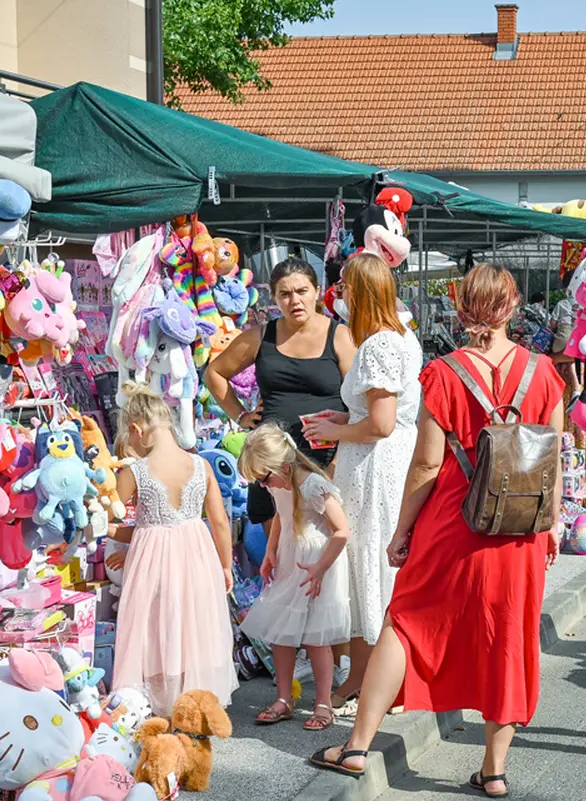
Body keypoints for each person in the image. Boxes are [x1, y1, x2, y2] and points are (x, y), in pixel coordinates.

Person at [307, 265, 564, 799]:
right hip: (520, 532)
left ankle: (357, 746)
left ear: (462, 309)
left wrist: (402, 531)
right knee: (509, 635)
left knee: (405, 620)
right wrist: (554, 521)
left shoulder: (445, 373)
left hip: (453, 522)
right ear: (513, 308)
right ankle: (493, 770)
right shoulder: (545, 374)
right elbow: (553, 459)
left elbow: (425, 466)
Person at [301, 253, 424, 709]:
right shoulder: (401, 337)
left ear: (360, 292)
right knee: (371, 565)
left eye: (345, 288)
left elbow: (382, 423)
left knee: (368, 565)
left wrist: (336, 430)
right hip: (383, 461)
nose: (340, 296)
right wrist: (342, 416)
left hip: (375, 465)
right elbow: (380, 415)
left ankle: (368, 677)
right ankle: (372, 676)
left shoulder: (377, 345)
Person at [109, 383, 239, 716]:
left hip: (152, 562)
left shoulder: (134, 472)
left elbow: (111, 517)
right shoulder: (200, 466)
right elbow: (220, 522)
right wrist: (225, 566)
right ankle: (193, 703)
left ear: (137, 430)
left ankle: (158, 705)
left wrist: (113, 531)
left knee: (154, 628)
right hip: (197, 555)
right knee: (191, 627)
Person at [204, 258, 356, 520]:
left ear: (317, 291)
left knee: (325, 547)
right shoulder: (261, 336)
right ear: (274, 297)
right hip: (270, 461)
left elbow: (358, 404)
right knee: (278, 550)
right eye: (285, 294)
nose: (294, 301)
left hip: (326, 457)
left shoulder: (341, 336)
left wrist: (338, 461)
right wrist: (241, 416)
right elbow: (214, 373)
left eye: (302, 291)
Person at [238, 425, 351, 730]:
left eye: (264, 478)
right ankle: (284, 698)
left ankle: (324, 702)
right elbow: (280, 517)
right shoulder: (278, 484)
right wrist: (271, 551)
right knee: (281, 632)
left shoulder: (313, 485)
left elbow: (342, 531)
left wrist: (320, 568)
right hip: (291, 560)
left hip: (317, 564)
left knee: (317, 637)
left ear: (283, 466)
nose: (262, 485)